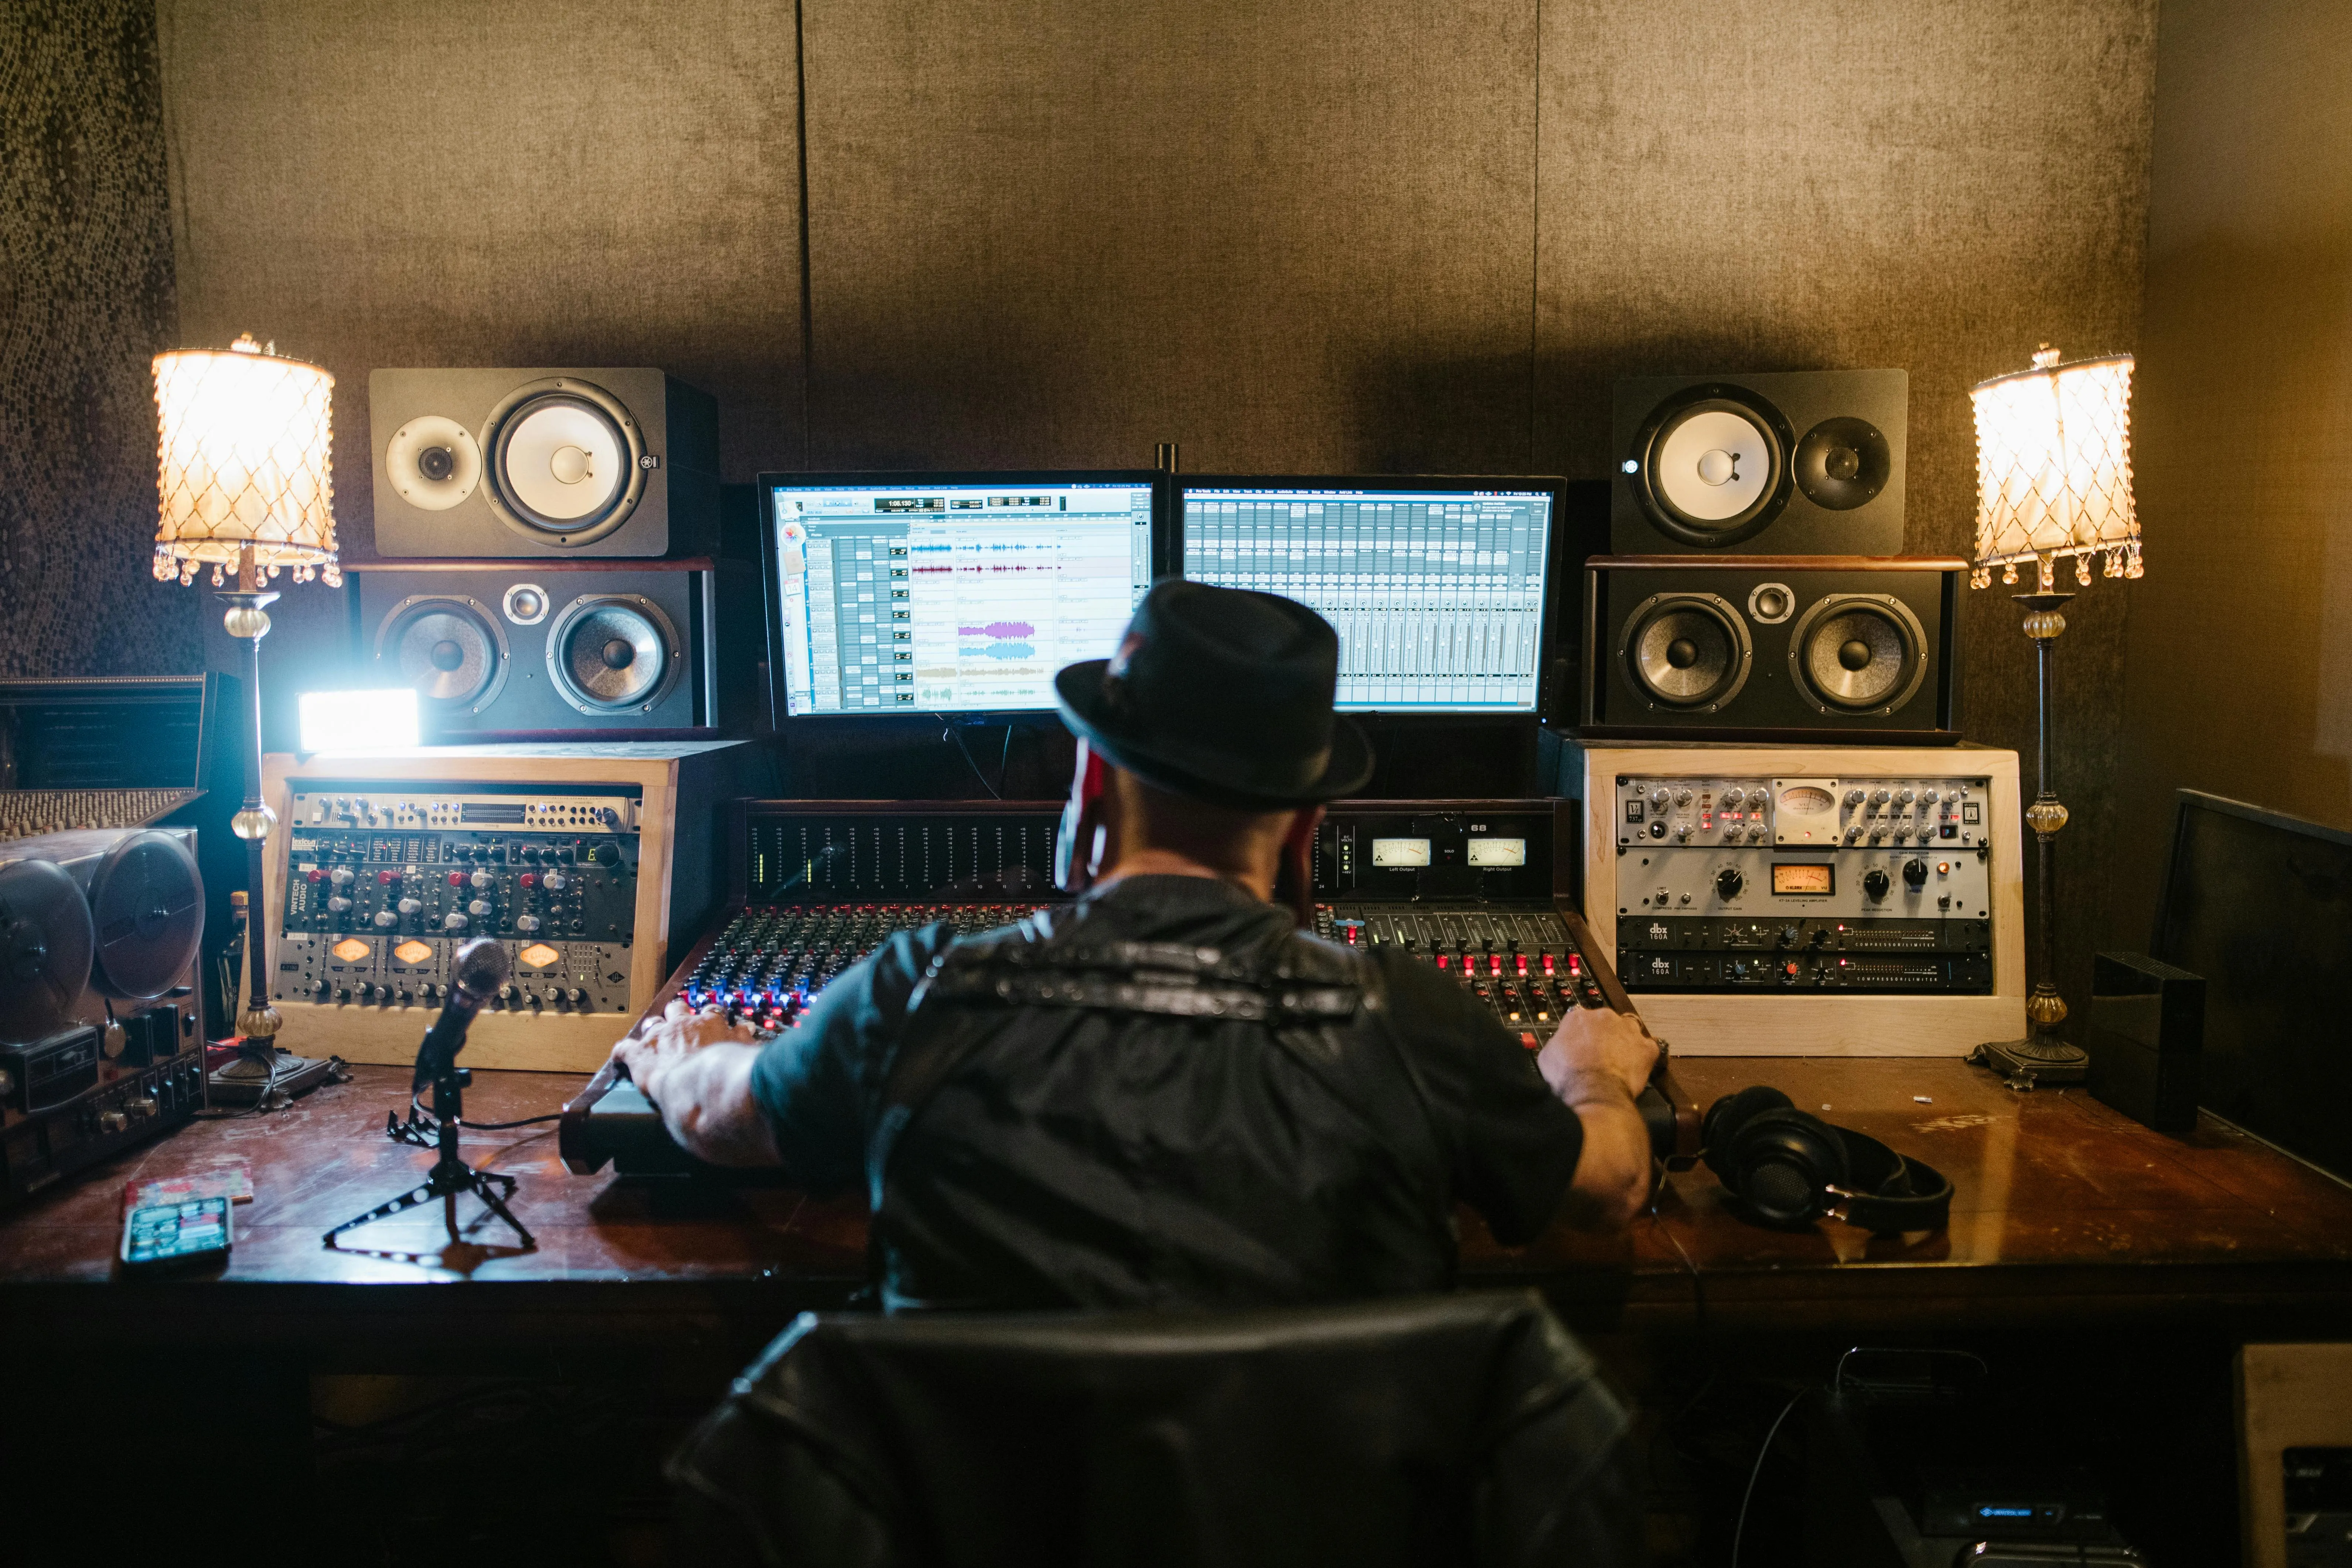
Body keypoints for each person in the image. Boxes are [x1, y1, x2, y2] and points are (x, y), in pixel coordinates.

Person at [613, 581, 1660, 1310]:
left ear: (1088, 787)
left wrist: (683, 1051)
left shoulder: (914, 991)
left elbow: (718, 1116)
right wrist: (1594, 1078)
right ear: (1304, 831)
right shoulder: (1415, 1021)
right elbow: (1605, 1190)